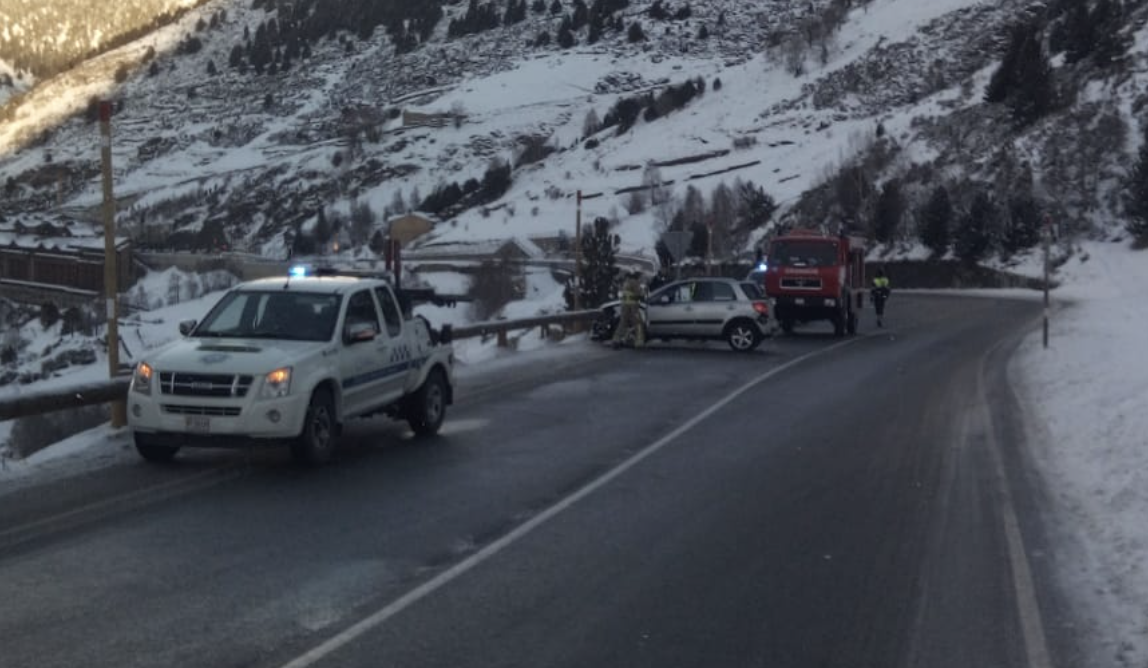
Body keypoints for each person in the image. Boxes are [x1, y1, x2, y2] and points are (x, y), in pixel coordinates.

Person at [612, 271, 645, 349]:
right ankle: (639, 341)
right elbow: (639, 293)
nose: (641, 280)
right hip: (633, 306)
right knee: (638, 323)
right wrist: (643, 292)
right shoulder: (634, 282)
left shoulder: (626, 283)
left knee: (622, 322)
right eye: (641, 278)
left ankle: (616, 340)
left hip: (624, 305)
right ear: (638, 277)